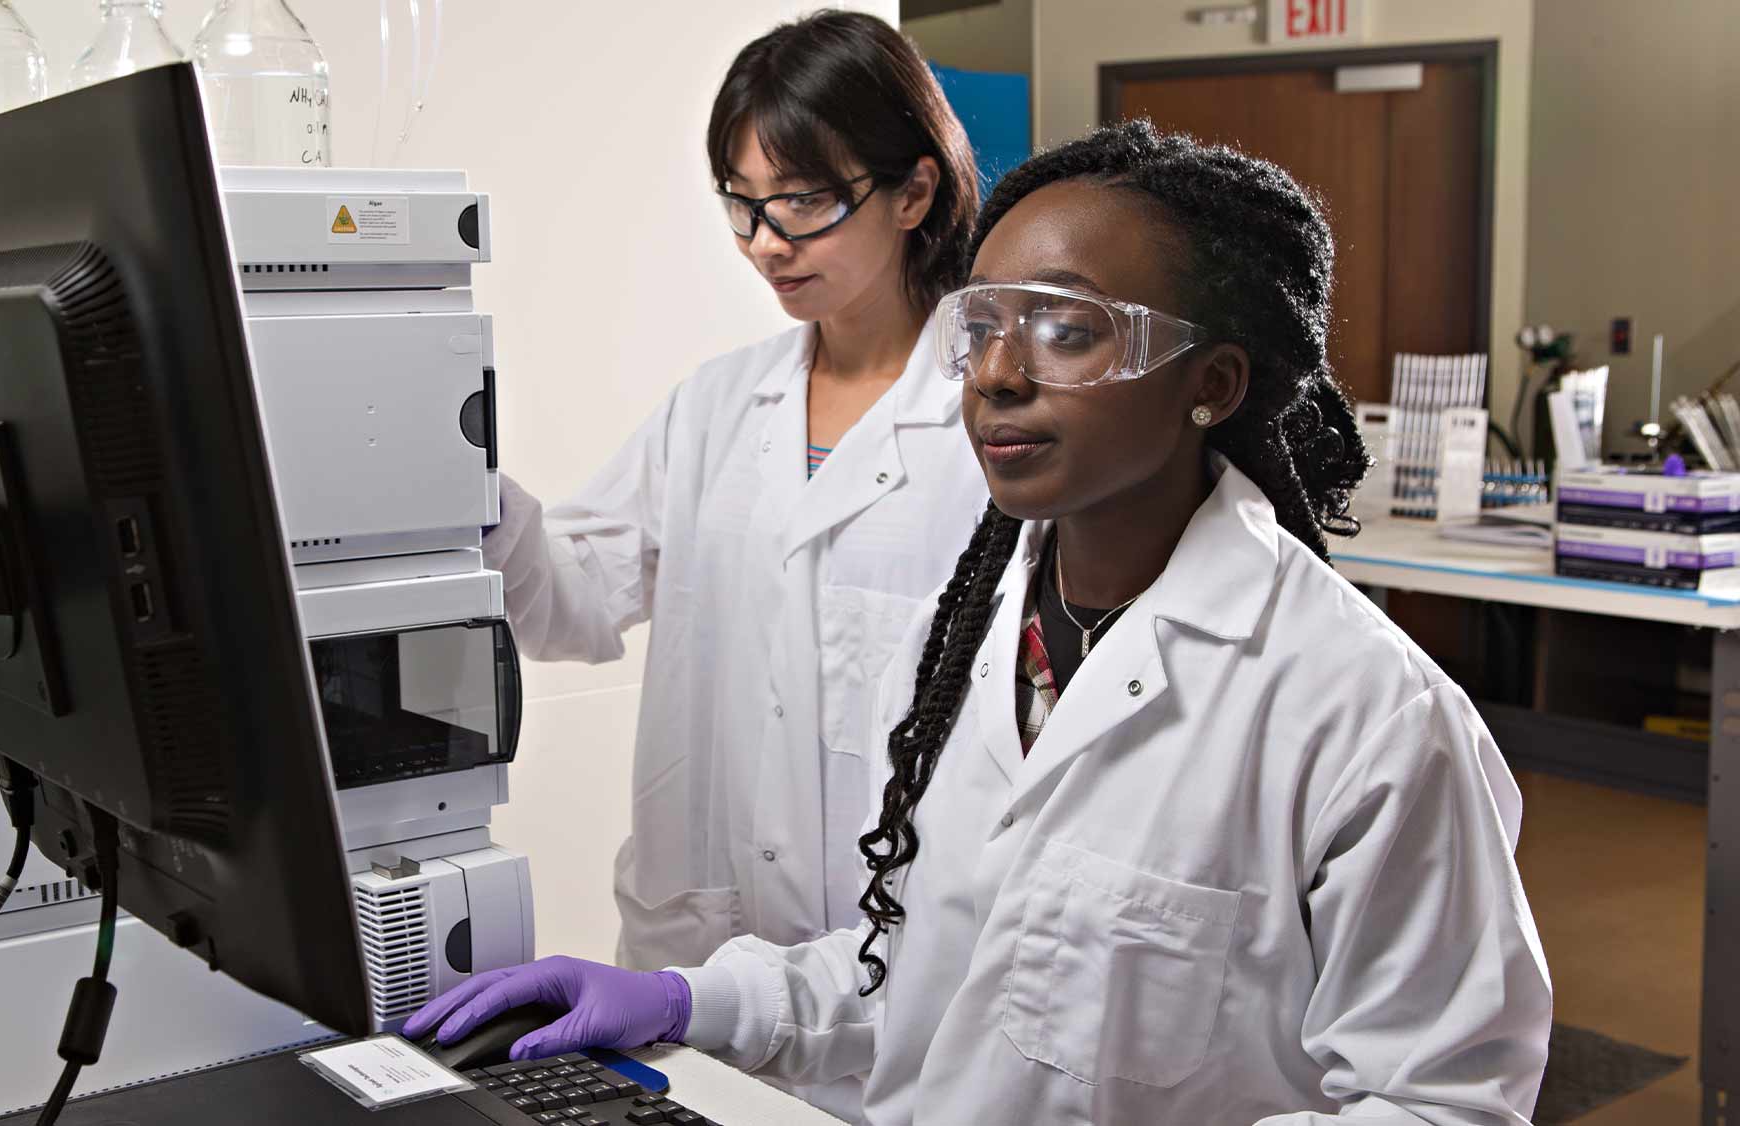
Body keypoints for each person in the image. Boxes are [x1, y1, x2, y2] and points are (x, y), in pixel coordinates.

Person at [407, 121, 1554, 1125]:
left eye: (1065, 330)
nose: (995, 374)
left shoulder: (1363, 714)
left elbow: (1438, 1101)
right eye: (983, 324)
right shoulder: (961, 645)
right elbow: (915, 976)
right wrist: (688, 997)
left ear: (1209, 381)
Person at [487, 9, 986, 978]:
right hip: (697, 961)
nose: (764, 243)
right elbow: (569, 602)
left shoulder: (986, 427)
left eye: (800, 202)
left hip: (887, 992)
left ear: (913, 190)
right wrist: (460, 486)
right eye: (742, 204)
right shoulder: (718, 406)